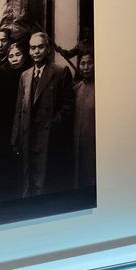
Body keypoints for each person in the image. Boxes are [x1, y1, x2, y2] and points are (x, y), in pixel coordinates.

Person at [11, 33, 74, 197]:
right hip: (28, 135)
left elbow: (68, 107)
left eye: (40, 47)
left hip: (47, 137)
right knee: (28, 178)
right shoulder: (25, 76)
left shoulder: (60, 72)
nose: (36, 51)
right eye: (33, 48)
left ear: (48, 49)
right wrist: (16, 137)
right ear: (29, 51)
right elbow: (19, 109)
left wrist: (52, 126)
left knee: (44, 181)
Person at [73, 48, 96, 189]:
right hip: (77, 143)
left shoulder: (100, 89)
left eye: (89, 63)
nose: (86, 67)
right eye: (82, 63)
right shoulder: (76, 89)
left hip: (93, 143)